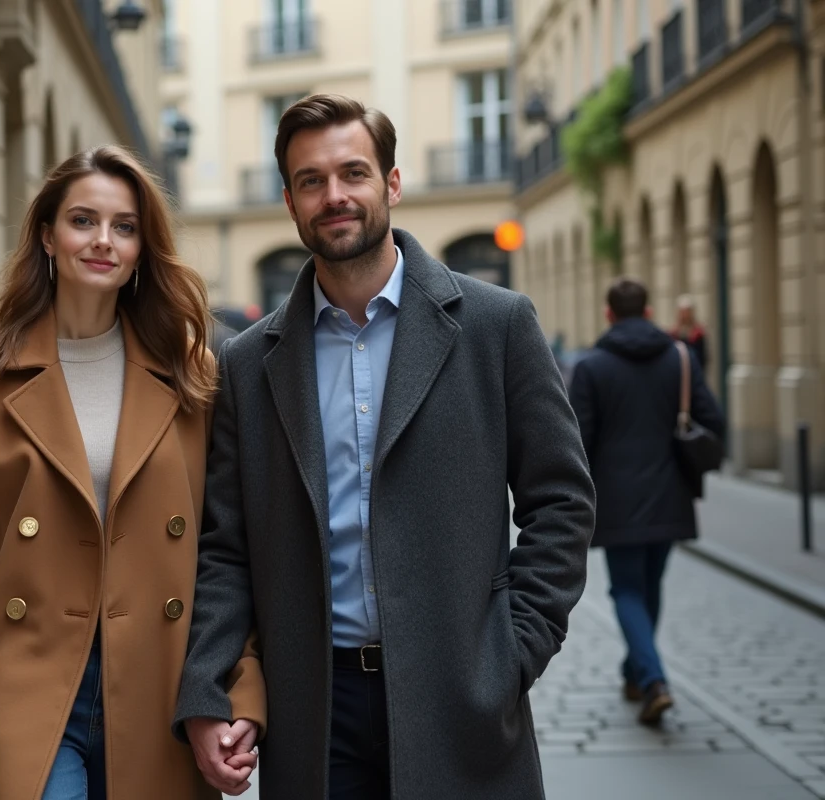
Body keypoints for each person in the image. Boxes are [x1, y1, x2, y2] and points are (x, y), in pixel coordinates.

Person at [174, 94, 596, 799]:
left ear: (391, 184)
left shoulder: (496, 325)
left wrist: (512, 652)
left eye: (353, 173)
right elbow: (226, 546)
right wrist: (207, 686)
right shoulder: (249, 362)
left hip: (462, 697)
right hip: (315, 708)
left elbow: (562, 498)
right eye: (311, 181)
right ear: (289, 201)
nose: (334, 195)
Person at [0, 145, 265, 800]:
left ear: (143, 247)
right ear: (47, 235)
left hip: (159, 683)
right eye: (83, 220)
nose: (103, 241)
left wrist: (241, 687)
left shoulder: (195, 372)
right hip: (23, 680)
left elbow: (224, 550)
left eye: (125, 226)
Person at [568, 279, 725, 726]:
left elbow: (579, 440)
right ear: (651, 312)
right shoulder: (681, 357)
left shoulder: (592, 366)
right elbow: (713, 420)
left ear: (608, 314)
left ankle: (651, 678)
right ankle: (637, 672)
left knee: (627, 591)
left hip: (616, 499)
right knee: (649, 587)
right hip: (670, 493)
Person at [670, 294, 709, 370]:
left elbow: (703, 357)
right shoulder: (674, 333)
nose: (684, 315)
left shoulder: (698, 333)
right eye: (682, 312)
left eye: (686, 312)